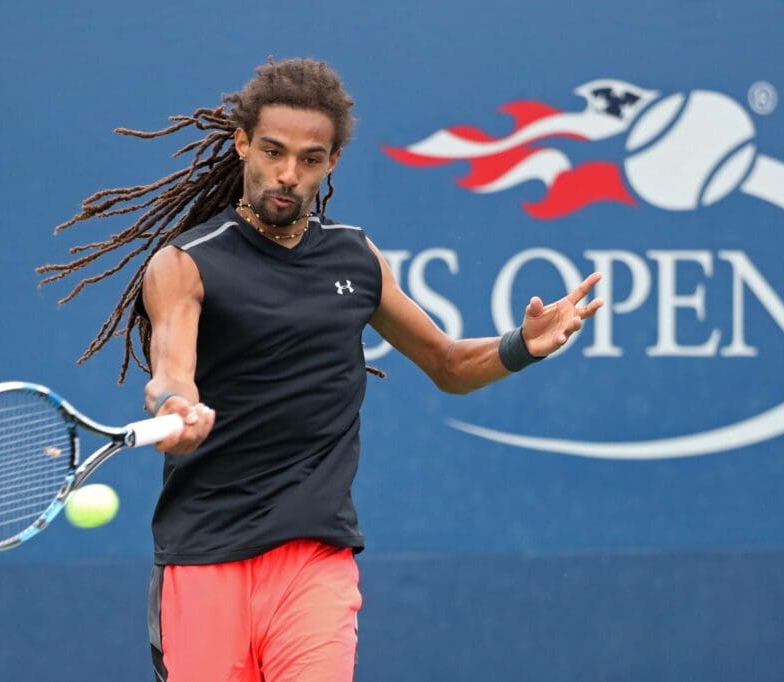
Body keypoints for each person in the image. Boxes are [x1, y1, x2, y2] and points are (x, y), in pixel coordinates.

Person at [40, 58, 602, 682]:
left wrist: (521, 345)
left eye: (310, 159)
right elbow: (172, 367)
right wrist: (176, 405)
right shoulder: (185, 263)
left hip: (314, 558)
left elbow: (447, 364)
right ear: (242, 144)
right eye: (273, 152)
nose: (288, 174)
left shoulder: (355, 257)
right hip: (204, 558)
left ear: (332, 162)